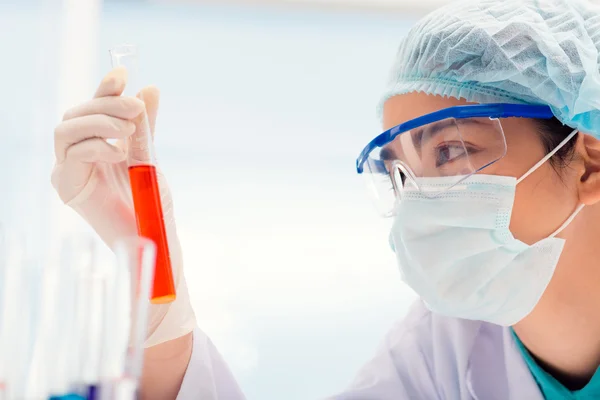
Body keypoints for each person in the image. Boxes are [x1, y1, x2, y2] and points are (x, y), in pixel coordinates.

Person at [50, 0, 600, 398]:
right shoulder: (440, 352)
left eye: (452, 150)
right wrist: (154, 279)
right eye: (400, 176)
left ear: (589, 161)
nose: (421, 202)